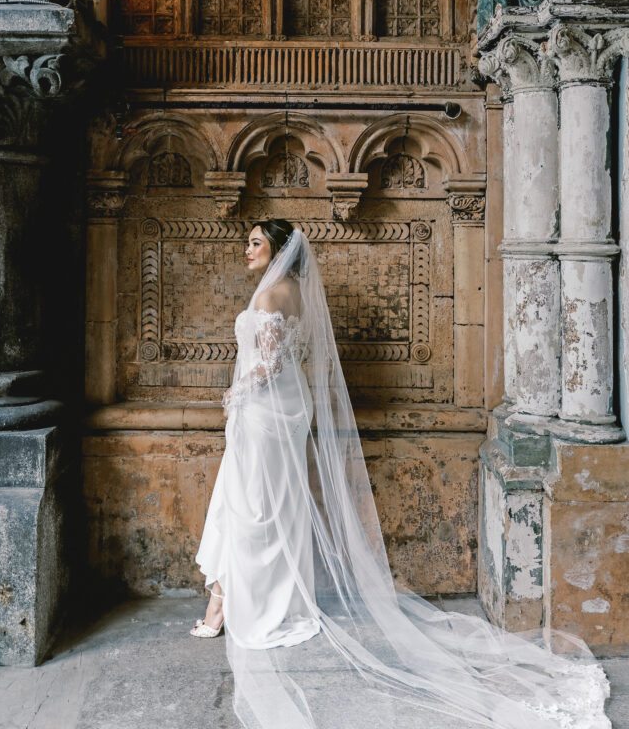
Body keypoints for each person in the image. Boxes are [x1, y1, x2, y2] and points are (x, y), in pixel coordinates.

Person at [190, 220, 611, 729]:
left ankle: (242, 606)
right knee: (275, 503)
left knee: (253, 503)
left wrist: (234, 393)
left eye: (256, 242)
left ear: (277, 249)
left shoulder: (267, 297)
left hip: (265, 410)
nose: (247, 249)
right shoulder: (297, 293)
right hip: (290, 410)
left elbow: (272, 364)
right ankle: (249, 600)